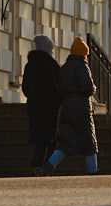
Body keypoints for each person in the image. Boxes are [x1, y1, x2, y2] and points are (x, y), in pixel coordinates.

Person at [41, 36, 99, 175]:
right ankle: (93, 171)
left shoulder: (65, 67)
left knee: (67, 143)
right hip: (82, 109)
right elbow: (88, 88)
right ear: (83, 54)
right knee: (89, 142)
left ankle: (47, 166)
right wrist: (94, 89)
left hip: (67, 108)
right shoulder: (82, 66)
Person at [21, 34, 61, 175]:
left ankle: (38, 166)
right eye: (51, 48)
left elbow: (25, 87)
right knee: (51, 139)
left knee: (40, 139)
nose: (53, 51)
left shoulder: (30, 65)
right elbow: (59, 86)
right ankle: (43, 167)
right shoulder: (52, 65)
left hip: (34, 107)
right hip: (51, 108)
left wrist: (33, 97)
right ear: (47, 49)